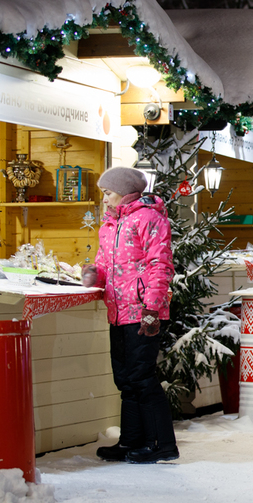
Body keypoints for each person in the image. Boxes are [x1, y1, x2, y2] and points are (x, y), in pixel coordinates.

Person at [82, 167, 179, 463]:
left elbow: (160, 265)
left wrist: (152, 308)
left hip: (142, 311)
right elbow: (105, 264)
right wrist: (93, 275)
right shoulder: (110, 224)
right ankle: (132, 440)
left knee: (142, 377)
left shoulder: (150, 219)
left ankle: (162, 444)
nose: (104, 199)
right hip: (117, 312)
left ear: (125, 192)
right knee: (125, 379)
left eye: (108, 193)